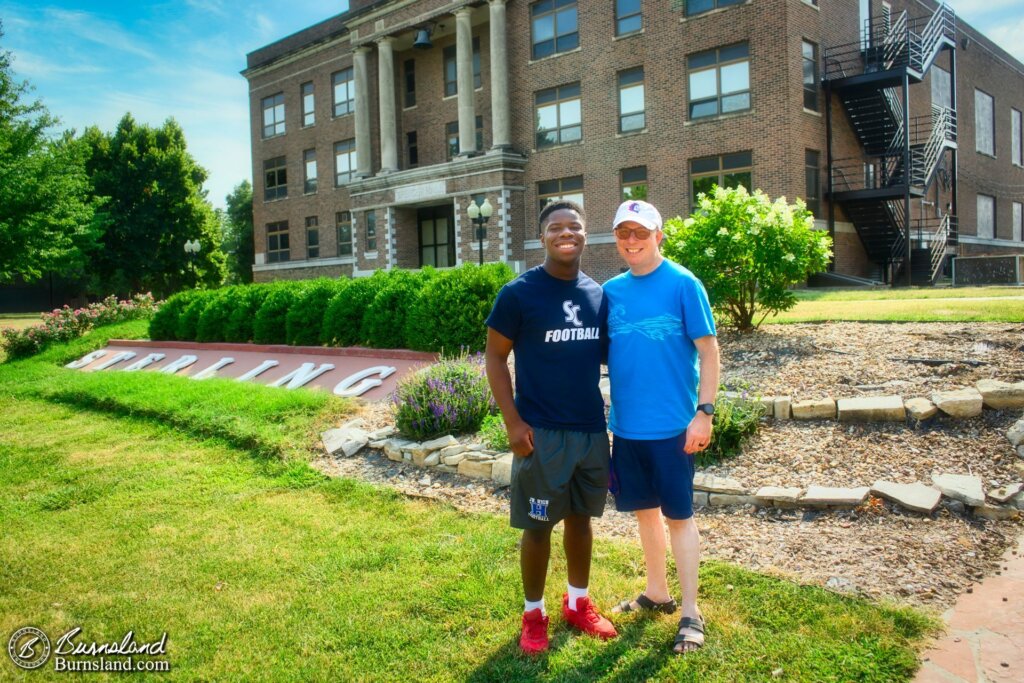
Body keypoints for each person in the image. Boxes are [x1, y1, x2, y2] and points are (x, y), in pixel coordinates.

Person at [485, 200, 617, 655]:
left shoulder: (598, 296)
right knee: (538, 526)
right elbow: (495, 358)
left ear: (584, 234)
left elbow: (607, 358)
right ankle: (533, 614)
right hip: (540, 432)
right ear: (542, 238)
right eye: (556, 228)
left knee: (581, 520)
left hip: (589, 430)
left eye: (574, 227)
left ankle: (577, 604)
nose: (567, 233)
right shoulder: (519, 294)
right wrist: (513, 422)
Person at [603, 199, 720, 655]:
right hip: (627, 427)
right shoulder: (611, 290)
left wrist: (704, 412)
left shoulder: (683, 283)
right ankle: (657, 592)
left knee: (679, 516)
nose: (632, 241)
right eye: (623, 233)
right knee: (644, 512)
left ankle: (691, 611)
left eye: (641, 232)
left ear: (658, 236)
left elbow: (709, 351)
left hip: (673, 425)